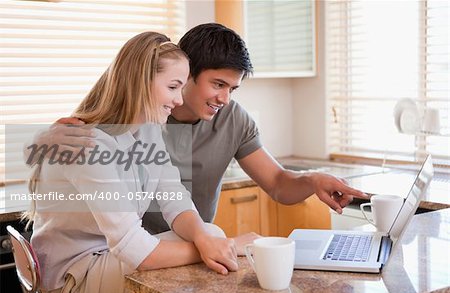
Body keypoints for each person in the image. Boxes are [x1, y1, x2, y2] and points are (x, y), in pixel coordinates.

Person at [29, 23, 367, 256]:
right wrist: (46, 142)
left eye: (232, 89)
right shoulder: (147, 118)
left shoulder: (233, 120)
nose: (225, 99)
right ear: (184, 74)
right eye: (218, 84)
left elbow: (277, 182)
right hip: (129, 252)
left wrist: (311, 180)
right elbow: (82, 148)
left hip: (190, 242)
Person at [26, 31, 238, 293]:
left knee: (208, 232)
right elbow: (134, 249)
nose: (179, 100)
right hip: (76, 277)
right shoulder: (85, 144)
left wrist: (207, 239)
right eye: (172, 87)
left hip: (107, 259)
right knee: (211, 240)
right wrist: (221, 245)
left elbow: (174, 197)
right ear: (139, 82)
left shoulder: (148, 131)